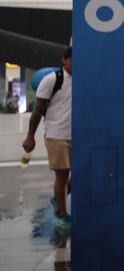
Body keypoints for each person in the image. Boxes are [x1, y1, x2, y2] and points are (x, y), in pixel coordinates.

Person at [22, 46, 72, 231]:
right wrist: (30, 137)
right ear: (64, 60)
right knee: (62, 174)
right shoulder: (52, 80)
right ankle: (62, 215)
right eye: (73, 60)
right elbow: (38, 111)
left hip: (79, 135)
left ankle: (57, 198)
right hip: (56, 134)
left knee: (81, 173)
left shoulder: (83, 79)